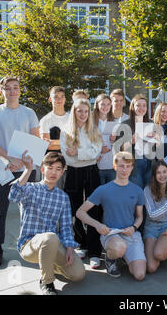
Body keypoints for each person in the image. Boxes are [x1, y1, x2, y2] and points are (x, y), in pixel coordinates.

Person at [8, 152, 85, 295]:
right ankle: (47, 282)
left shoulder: (63, 197)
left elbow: (66, 226)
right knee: (50, 237)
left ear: (62, 172)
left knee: (78, 274)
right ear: (42, 169)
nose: (53, 172)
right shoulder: (30, 188)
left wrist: (69, 248)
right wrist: (28, 170)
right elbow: (13, 195)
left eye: (58, 169)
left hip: (53, 244)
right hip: (29, 245)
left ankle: (49, 264)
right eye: (50, 168)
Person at [0, 76, 39, 269]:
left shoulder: (29, 112)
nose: (12, 91)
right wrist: (10, 159)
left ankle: (30, 245)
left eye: (15, 87)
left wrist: (22, 161)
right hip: (2, 169)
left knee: (28, 210)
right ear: (1, 91)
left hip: (25, 169)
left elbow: (35, 139)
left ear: (20, 90)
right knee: (0, 210)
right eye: (8, 88)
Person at [76, 152, 147, 280]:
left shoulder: (137, 190)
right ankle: (110, 259)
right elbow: (80, 212)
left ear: (132, 167)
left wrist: (134, 227)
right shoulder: (103, 190)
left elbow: (140, 217)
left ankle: (125, 255)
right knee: (119, 247)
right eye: (121, 166)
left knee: (140, 275)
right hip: (111, 234)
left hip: (130, 234)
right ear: (114, 167)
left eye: (128, 166)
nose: (124, 170)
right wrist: (98, 225)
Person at [60, 98, 103, 268]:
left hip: (91, 171)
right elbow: (67, 155)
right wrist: (84, 153)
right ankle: (81, 243)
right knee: (74, 208)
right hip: (73, 172)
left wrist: (77, 152)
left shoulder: (94, 130)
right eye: (80, 111)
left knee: (93, 209)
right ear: (74, 112)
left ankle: (94, 251)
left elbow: (96, 152)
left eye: (86, 111)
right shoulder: (66, 131)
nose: (83, 114)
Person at [143, 161, 167, 273]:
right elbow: (152, 215)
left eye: (164, 171)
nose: (162, 175)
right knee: (151, 268)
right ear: (154, 176)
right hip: (151, 228)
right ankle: (159, 245)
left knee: (159, 254)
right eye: (158, 173)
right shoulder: (147, 190)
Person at [117, 94, 155, 189]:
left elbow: (156, 147)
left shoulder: (151, 123)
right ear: (133, 107)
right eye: (138, 105)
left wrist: (156, 139)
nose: (141, 108)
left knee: (148, 193)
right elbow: (119, 148)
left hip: (149, 164)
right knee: (137, 192)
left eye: (144, 105)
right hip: (134, 164)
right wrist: (131, 141)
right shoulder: (125, 124)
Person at [93, 93, 117, 184]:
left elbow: (116, 145)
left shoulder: (114, 121)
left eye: (108, 104)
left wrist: (113, 141)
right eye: (102, 104)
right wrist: (99, 151)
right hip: (96, 164)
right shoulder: (91, 122)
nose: (105, 107)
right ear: (97, 105)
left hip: (111, 165)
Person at [39, 86, 70, 153]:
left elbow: (76, 142)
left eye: (62, 96)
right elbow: (47, 146)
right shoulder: (45, 120)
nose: (59, 100)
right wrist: (67, 144)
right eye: (56, 97)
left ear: (65, 99)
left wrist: (53, 142)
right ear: (50, 99)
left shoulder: (71, 119)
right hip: (53, 159)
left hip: (71, 160)